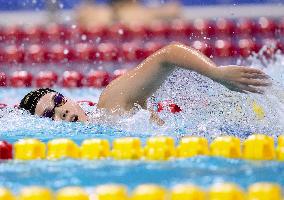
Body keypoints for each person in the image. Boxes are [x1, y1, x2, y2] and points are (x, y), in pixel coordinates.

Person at [19, 42, 270, 123]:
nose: (61, 110)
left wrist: (217, 74)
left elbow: (168, 54)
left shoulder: (112, 104)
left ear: (69, 97)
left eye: (58, 100)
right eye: (49, 114)